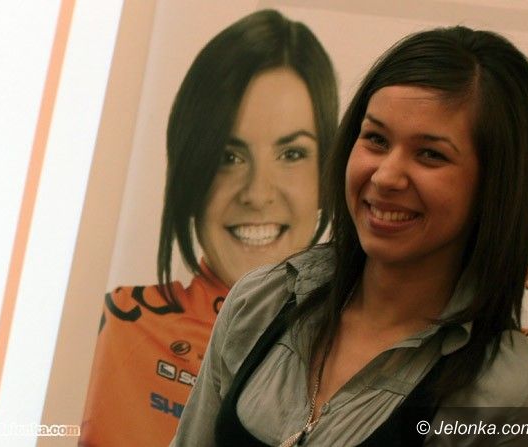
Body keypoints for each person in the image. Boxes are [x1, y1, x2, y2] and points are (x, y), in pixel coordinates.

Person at [171, 26, 528, 446]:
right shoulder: (261, 302)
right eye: (376, 139)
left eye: (430, 154)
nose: (386, 176)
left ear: (497, 184)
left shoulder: (522, 399)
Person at [79, 9, 338, 447]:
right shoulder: (120, 327)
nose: (257, 193)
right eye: (228, 157)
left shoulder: (366, 346)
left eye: (291, 154)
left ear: (327, 173)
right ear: (191, 174)